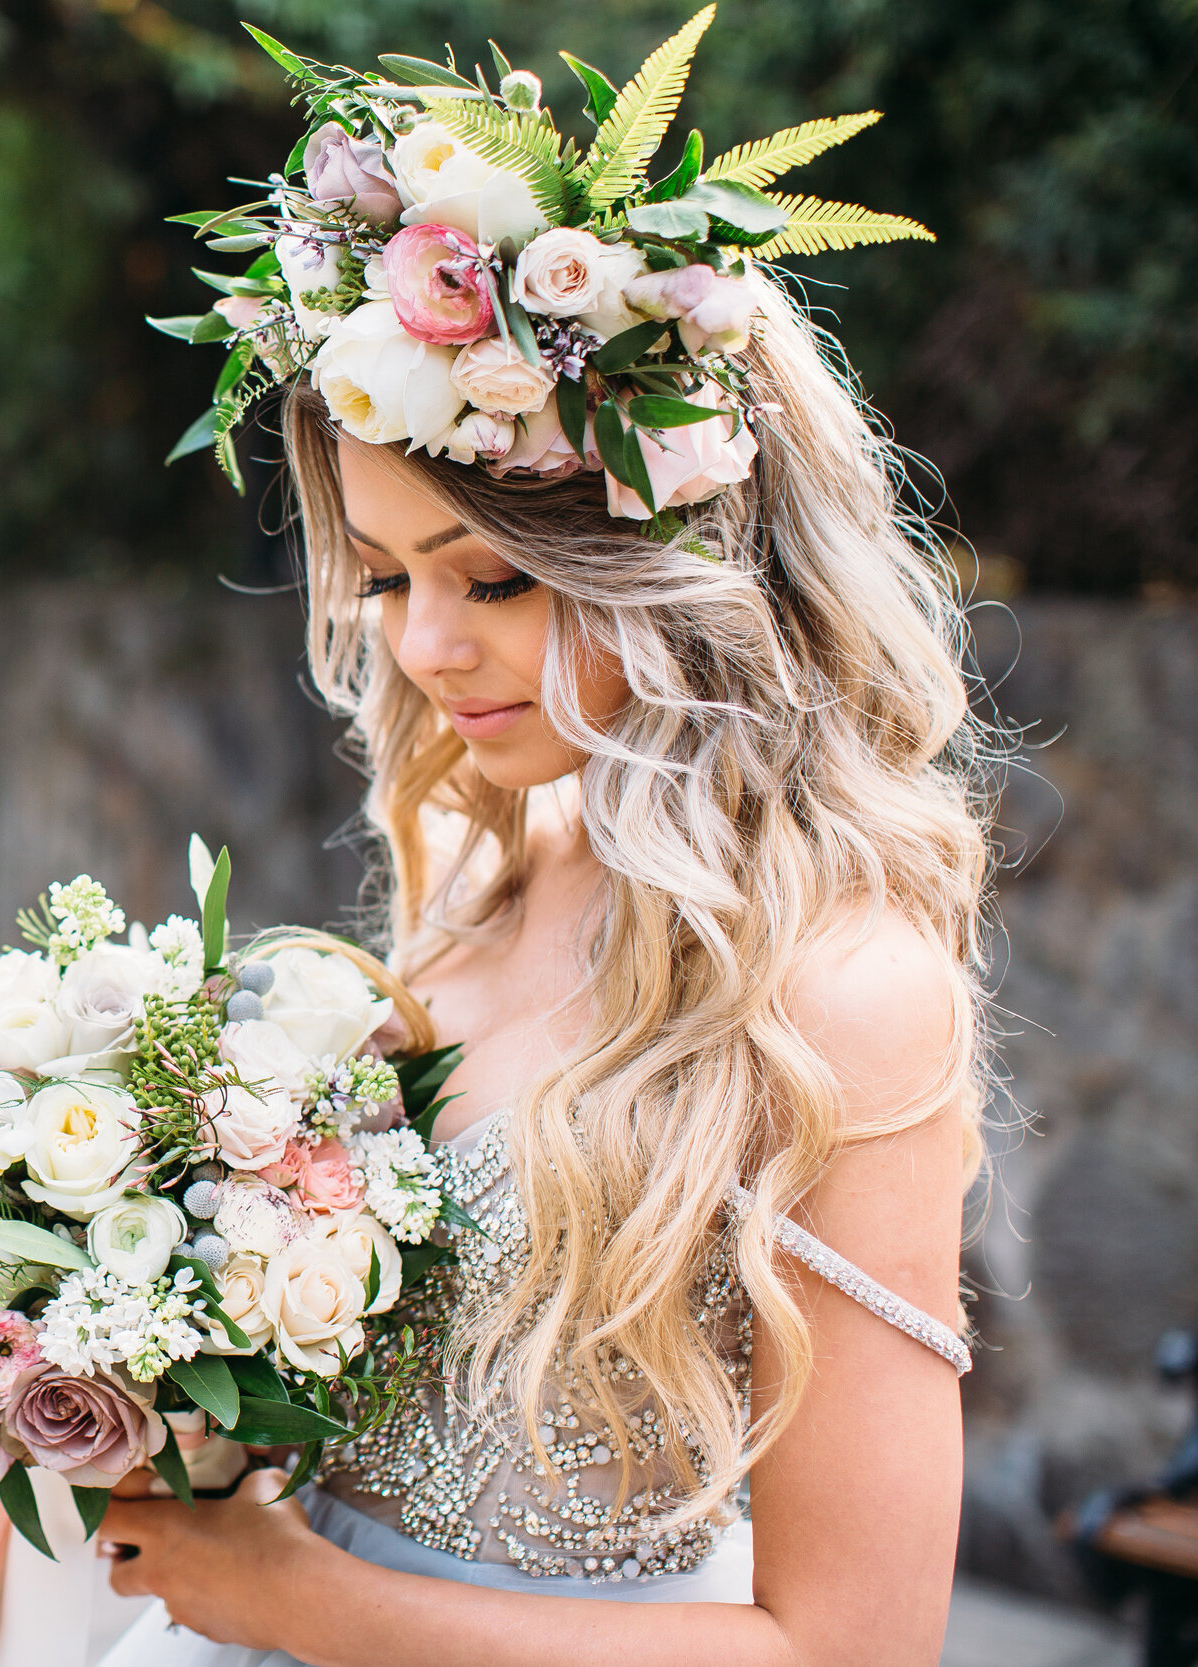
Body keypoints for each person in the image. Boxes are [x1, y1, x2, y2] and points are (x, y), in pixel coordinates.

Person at [93, 26, 995, 1664]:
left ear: (683, 555)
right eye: (384, 576)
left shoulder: (843, 996)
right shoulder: (477, 890)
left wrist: (306, 1600)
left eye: (490, 578)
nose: (424, 647)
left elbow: (855, 1647)